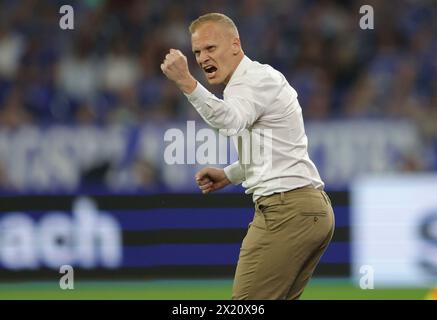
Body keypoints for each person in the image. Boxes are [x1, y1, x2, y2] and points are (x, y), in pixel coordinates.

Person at [160, 12, 335, 300]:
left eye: (210, 48)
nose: (203, 58)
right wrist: (229, 174)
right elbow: (271, 152)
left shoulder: (249, 81)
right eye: (197, 52)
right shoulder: (258, 79)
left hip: (285, 210)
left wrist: (186, 83)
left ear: (235, 44)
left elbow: (229, 121)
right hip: (307, 210)